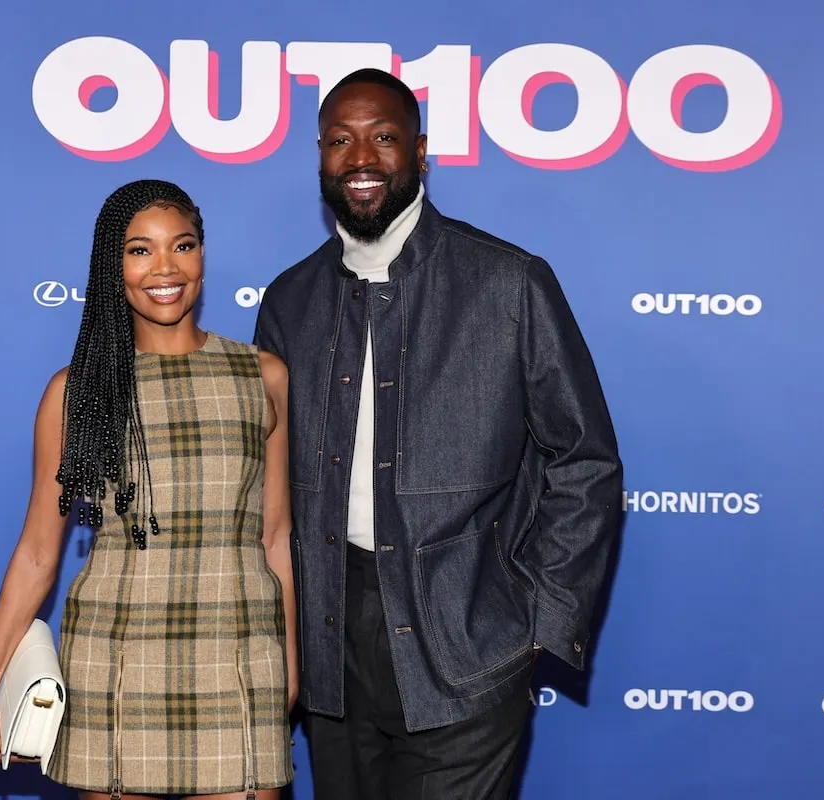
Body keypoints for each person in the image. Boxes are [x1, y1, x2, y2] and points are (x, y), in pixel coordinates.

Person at [253, 69, 624, 799]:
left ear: (420, 151)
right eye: (339, 140)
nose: (360, 158)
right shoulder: (288, 300)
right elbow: (262, 490)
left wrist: (535, 624)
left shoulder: (508, 283)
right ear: (320, 157)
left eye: (383, 137)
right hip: (330, 647)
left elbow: (584, 459)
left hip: (466, 639)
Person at [0, 179, 298, 800]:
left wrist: (289, 666)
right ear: (111, 265)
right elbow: (41, 551)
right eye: (140, 250)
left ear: (204, 254)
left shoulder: (263, 376)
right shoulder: (78, 392)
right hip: (117, 653)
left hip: (239, 652)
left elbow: (276, 539)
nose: (166, 267)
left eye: (184, 245)